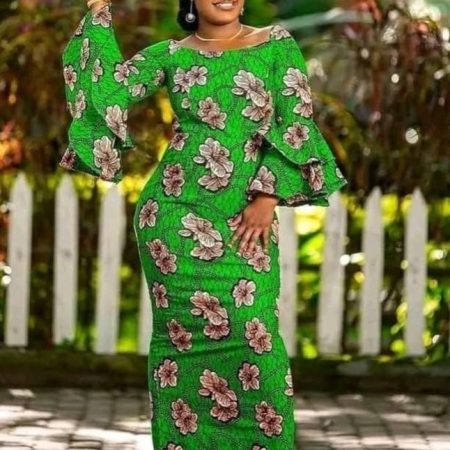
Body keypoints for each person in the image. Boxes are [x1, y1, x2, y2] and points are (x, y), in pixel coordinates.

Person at [59, 0, 348, 448]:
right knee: (183, 345)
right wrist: (98, 9)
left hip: (244, 218)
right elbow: (108, 91)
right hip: (172, 218)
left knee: (255, 337)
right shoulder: (171, 54)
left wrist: (267, 197)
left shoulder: (276, 44)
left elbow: (297, 123)